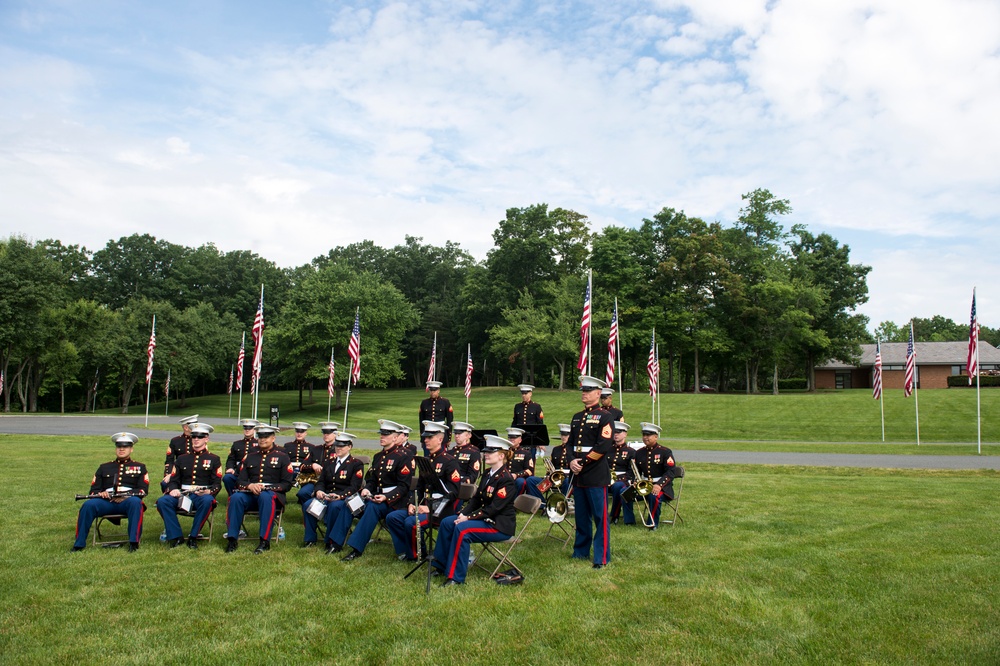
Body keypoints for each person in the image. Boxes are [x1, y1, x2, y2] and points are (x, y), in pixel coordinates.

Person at [431, 434, 517, 587]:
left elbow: (494, 508)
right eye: (486, 451)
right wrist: (463, 513)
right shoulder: (487, 474)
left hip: (499, 525)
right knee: (447, 522)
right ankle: (440, 565)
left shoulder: (507, 479)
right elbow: (476, 499)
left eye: (491, 452)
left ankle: (456, 578)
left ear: (501, 455)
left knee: (463, 530)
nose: (486, 454)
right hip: (486, 520)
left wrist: (468, 519)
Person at [334, 420, 415, 560]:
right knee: (350, 503)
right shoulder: (378, 456)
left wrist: (386, 497)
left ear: (395, 438)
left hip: (395, 502)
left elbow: (404, 486)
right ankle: (335, 543)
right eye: (381, 434)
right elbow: (372, 479)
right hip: (376, 496)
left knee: (372, 507)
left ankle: (356, 549)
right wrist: (366, 489)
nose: (382, 437)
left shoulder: (404, 456)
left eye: (386, 435)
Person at [387, 421, 461, 562]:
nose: (425, 440)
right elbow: (419, 487)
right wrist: (411, 503)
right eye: (425, 437)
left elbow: (453, 493)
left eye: (429, 437)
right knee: (393, 517)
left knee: (411, 523)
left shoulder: (450, 462)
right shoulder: (425, 461)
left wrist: (429, 507)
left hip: (441, 510)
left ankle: (416, 556)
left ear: (440, 439)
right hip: (423, 506)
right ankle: (405, 550)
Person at [72, 432, 149, 552]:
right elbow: (94, 491)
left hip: (127, 502)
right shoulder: (104, 467)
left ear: (131, 449)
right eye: (119, 446)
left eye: (125, 447)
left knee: (136, 503)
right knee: (88, 505)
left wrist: (125, 496)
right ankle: (79, 543)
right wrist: (101, 494)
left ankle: (134, 543)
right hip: (106, 502)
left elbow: (143, 490)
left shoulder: (140, 467)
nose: (122, 449)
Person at [224, 424, 294, 554]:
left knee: (265, 496)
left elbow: (287, 484)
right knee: (236, 497)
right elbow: (240, 480)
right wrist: (249, 486)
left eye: (266, 437)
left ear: (273, 438)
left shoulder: (282, 457)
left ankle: (264, 541)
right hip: (251, 494)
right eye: (260, 436)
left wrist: (267, 488)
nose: (262, 439)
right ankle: (232, 538)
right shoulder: (250, 457)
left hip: (272, 496)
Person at [568, 375, 614, 568]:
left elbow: (603, 445)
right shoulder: (577, 416)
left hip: (595, 474)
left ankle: (601, 557)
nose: (584, 394)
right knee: (581, 516)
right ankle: (580, 551)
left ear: (598, 393)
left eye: (588, 391)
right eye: (583, 391)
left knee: (600, 518)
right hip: (578, 475)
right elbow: (570, 444)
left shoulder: (605, 416)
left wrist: (582, 463)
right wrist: (571, 461)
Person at [156, 422, 222, 549]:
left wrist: (210, 492)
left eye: (200, 437)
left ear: (206, 439)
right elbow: (174, 479)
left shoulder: (214, 459)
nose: (196, 440)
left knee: (208, 501)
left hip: (201, 495)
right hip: (183, 494)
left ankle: (193, 536)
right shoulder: (182, 459)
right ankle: (176, 537)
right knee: (163, 501)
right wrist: (173, 489)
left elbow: (217, 483)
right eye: (194, 437)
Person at [301, 432, 364, 548]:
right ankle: (310, 539)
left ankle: (330, 541)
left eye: (342, 446)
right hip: (326, 496)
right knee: (307, 505)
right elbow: (321, 482)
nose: (338, 448)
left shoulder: (356, 464)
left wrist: (340, 496)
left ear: (349, 446)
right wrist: (319, 491)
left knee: (334, 507)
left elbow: (354, 487)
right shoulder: (329, 463)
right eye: (337, 445)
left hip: (344, 498)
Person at [633, 422, 680, 529]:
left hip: (662, 488)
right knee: (625, 493)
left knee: (654, 496)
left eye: (648, 435)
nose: (645, 438)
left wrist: (659, 485)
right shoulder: (639, 452)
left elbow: (670, 472)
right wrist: (635, 481)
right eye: (644, 435)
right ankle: (629, 521)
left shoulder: (665, 452)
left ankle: (652, 524)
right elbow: (636, 471)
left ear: (656, 436)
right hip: (644, 486)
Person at [296, 422, 340, 507]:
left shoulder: (339, 450)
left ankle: (321, 509)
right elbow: (302, 466)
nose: (326, 435)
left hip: (332, 482)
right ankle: (312, 509)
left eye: (329, 433)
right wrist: (312, 465)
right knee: (302, 493)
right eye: (324, 433)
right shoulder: (316, 449)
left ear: (335, 435)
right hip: (316, 481)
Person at [524, 423, 571, 501]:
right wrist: (549, 474)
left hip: (567, 478)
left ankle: (563, 503)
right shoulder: (556, 449)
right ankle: (543, 504)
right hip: (553, 479)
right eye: (562, 435)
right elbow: (551, 466)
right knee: (530, 480)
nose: (563, 437)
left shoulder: (574, 450)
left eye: (566, 435)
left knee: (567, 482)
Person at [608, 421, 636, 525]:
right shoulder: (607, 449)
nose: (616, 434)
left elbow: (631, 471)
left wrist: (619, 480)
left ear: (625, 434)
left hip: (622, 480)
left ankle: (614, 515)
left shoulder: (631, 452)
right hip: (606, 478)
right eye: (614, 432)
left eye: (619, 432)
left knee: (618, 487)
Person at [162, 414, 199, 491]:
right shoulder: (175, 441)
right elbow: (169, 460)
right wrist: (169, 474)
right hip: (179, 471)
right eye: (193, 426)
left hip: (195, 471)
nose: (197, 428)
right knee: (165, 483)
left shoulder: (199, 440)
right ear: (186, 428)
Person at [223, 419, 259, 496]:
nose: (247, 430)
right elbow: (231, 459)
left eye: (250, 428)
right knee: (227, 478)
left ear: (254, 430)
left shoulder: (258, 444)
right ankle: (232, 496)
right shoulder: (237, 444)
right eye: (245, 428)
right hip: (237, 472)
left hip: (252, 472)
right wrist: (230, 468)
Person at [419, 381, 453, 449]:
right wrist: (422, 438)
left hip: (440, 433)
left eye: (434, 390)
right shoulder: (424, 403)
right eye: (431, 390)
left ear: (438, 391)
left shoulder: (445, 402)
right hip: (427, 433)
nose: (432, 392)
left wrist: (448, 438)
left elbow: (449, 420)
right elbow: (421, 421)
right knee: (427, 457)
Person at [450, 421, 481, 486]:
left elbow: (472, 476)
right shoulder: (451, 452)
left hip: (463, 486)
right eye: (455, 433)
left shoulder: (473, 452)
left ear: (468, 435)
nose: (457, 436)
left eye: (459, 434)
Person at [506, 427, 535, 495]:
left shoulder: (525, 453)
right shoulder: (504, 452)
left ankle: (516, 500)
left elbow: (529, 470)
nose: (512, 440)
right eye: (510, 438)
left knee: (521, 482)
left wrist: (516, 475)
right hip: (505, 476)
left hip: (518, 477)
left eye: (514, 438)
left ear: (520, 440)